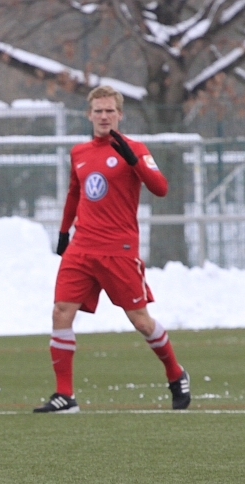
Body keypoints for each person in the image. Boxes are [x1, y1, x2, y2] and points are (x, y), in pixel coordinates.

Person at [34, 85, 190, 413]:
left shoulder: (136, 149)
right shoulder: (79, 152)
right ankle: (65, 395)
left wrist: (134, 161)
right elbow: (74, 194)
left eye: (110, 111)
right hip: (81, 247)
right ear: (89, 115)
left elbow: (161, 188)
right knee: (61, 311)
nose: (104, 116)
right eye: (98, 111)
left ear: (120, 115)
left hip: (119, 249)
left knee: (141, 321)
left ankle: (175, 373)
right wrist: (63, 232)